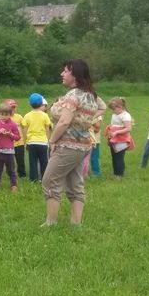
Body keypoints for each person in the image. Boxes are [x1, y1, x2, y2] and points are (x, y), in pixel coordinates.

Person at [41, 59, 105, 226]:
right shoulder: (90, 95)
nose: (62, 74)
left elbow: (64, 122)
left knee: (50, 181)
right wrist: (84, 120)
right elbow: (101, 108)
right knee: (75, 183)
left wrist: (52, 140)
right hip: (83, 145)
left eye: (65, 71)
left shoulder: (73, 95)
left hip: (67, 145)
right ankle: (76, 223)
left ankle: (51, 223)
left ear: (75, 75)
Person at [21, 93, 52, 182]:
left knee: (33, 162)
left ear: (30, 104)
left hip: (31, 142)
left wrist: (25, 142)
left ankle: (33, 179)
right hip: (43, 142)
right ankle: (44, 178)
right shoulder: (45, 115)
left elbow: (25, 131)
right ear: (41, 103)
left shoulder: (27, 116)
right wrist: (48, 140)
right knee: (44, 161)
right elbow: (47, 129)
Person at [0, 102, 20, 192]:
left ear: (10, 115)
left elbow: (18, 137)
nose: (4, 116)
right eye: (1, 114)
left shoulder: (13, 124)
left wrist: (10, 134)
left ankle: (14, 185)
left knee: (11, 170)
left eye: (6, 115)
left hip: (9, 152)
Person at [105, 97, 133, 178]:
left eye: (114, 108)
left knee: (119, 157)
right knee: (114, 156)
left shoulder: (125, 115)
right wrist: (109, 136)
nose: (113, 111)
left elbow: (128, 128)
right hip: (114, 139)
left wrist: (117, 132)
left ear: (120, 107)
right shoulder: (115, 114)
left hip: (122, 140)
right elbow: (113, 126)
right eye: (112, 109)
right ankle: (115, 173)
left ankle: (120, 174)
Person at [7, 99, 27, 179]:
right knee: (9, 160)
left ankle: (22, 174)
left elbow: (24, 126)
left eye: (14, 107)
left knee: (20, 160)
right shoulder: (5, 118)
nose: (12, 109)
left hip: (19, 142)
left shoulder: (19, 117)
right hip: (9, 143)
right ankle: (10, 173)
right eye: (10, 108)